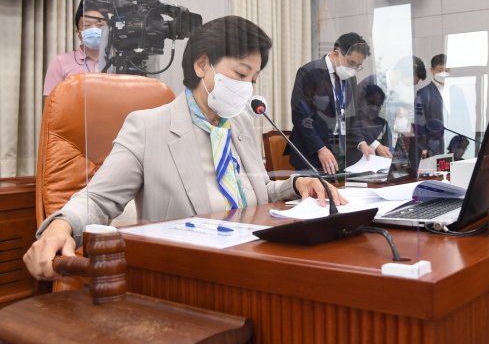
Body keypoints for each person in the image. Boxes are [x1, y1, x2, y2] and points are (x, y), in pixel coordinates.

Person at [24, 16, 347, 280]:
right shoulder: (147, 126)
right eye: (240, 74)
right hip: (191, 271)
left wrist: (297, 183)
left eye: (254, 78)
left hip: (257, 255)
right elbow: (98, 199)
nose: (247, 87)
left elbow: (255, 188)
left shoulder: (240, 123)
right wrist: (59, 227)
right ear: (202, 64)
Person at [287, 33, 370, 175]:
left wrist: (361, 142)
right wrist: (320, 148)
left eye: (358, 66)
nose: (353, 69)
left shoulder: (350, 79)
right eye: (351, 63)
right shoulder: (309, 72)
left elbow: (351, 116)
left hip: (340, 154)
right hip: (311, 153)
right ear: (336, 53)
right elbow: (300, 116)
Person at [43, 4, 106, 97]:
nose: (94, 29)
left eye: (99, 25)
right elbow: (51, 103)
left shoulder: (118, 62)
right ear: (78, 32)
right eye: (87, 25)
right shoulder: (60, 62)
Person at [414, 54, 449, 158]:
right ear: (432, 70)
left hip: (454, 146)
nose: (444, 73)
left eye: (447, 70)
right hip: (433, 147)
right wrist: (423, 147)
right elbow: (418, 122)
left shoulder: (456, 92)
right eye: (440, 70)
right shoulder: (423, 93)